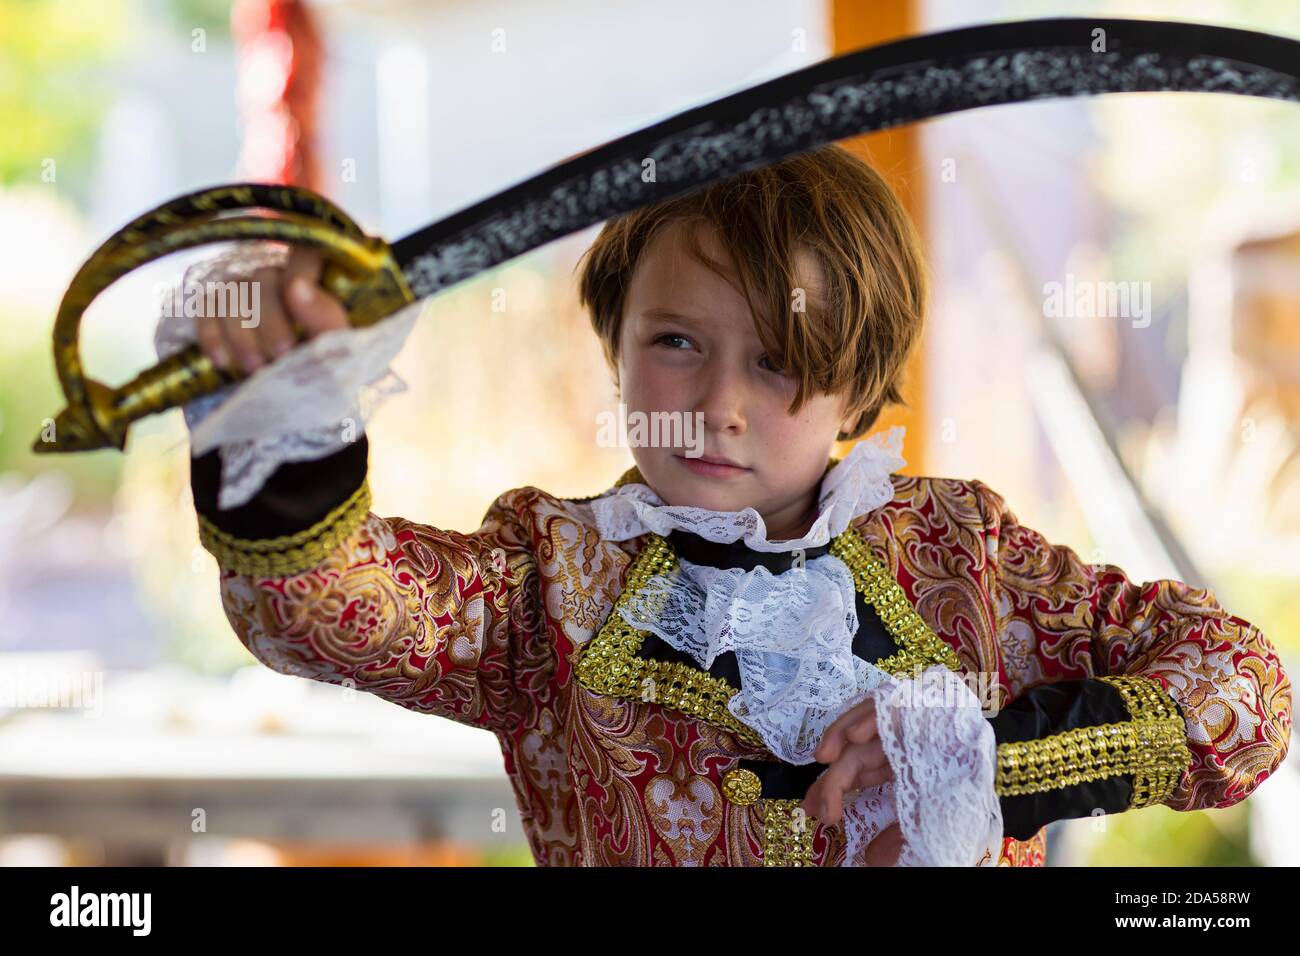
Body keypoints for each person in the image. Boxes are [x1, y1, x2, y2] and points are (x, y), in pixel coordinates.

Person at [177, 144, 1291, 866]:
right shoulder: (549, 577)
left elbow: (1246, 693)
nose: (716, 406)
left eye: (777, 362)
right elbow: (320, 605)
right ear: (612, 347)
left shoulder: (967, 554)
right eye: (674, 343)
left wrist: (992, 757)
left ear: (856, 384)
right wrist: (281, 411)